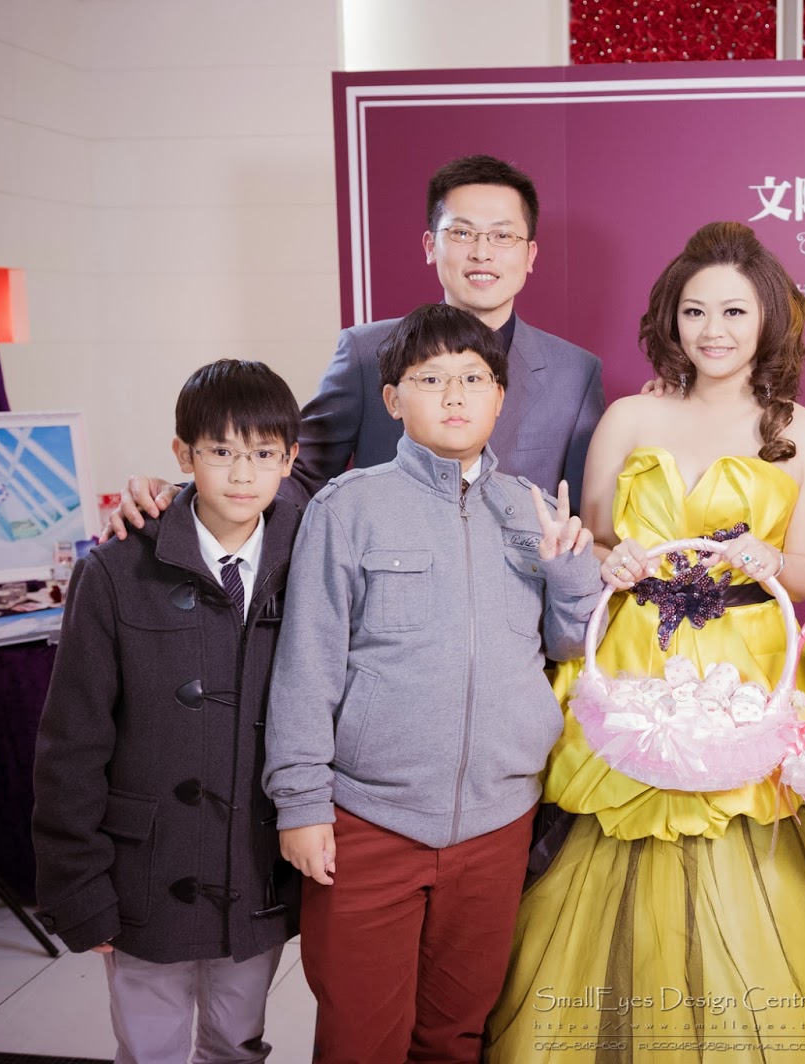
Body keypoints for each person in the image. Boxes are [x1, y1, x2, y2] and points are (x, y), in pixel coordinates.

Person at [485, 222, 805, 1062]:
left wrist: (770, 560)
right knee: (623, 837)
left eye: (734, 311)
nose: (713, 330)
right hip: (637, 653)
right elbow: (592, 538)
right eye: (695, 311)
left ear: (769, 319)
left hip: (748, 660)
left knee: (742, 842)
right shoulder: (630, 416)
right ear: (671, 318)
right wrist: (612, 556)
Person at [262, 303, 600, 1064]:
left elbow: (566, 646)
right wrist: (302, 804)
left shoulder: (531, 510)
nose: (454, 395)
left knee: (455, 1035)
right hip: (369, 821)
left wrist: (573, 574)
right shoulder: (348, 507)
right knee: (360, 1040)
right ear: (392, 399)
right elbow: (307, 666)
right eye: (431, 378)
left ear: (500, 397)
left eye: (474, 378)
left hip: (498, 820)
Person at [31, 360, 305, 1064]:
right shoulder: (115, 570)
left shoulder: (311, 557)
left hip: (254, 864)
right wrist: (78, 885)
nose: (241, 474)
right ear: (183, 455)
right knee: (147, 1045)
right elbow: (71, 744)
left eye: (263, 454)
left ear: (290, 460)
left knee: (236, 1041)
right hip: (145, 869)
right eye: (219, 451)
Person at [107, 154, 604, 529]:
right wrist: (188, 495)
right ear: (430, 246)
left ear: (530, 254)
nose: (481, 253)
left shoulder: (575, 373)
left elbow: (585, 514)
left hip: (523, 610)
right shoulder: (366, 352)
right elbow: (296, 473)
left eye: (502, 236)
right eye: (461, 233)